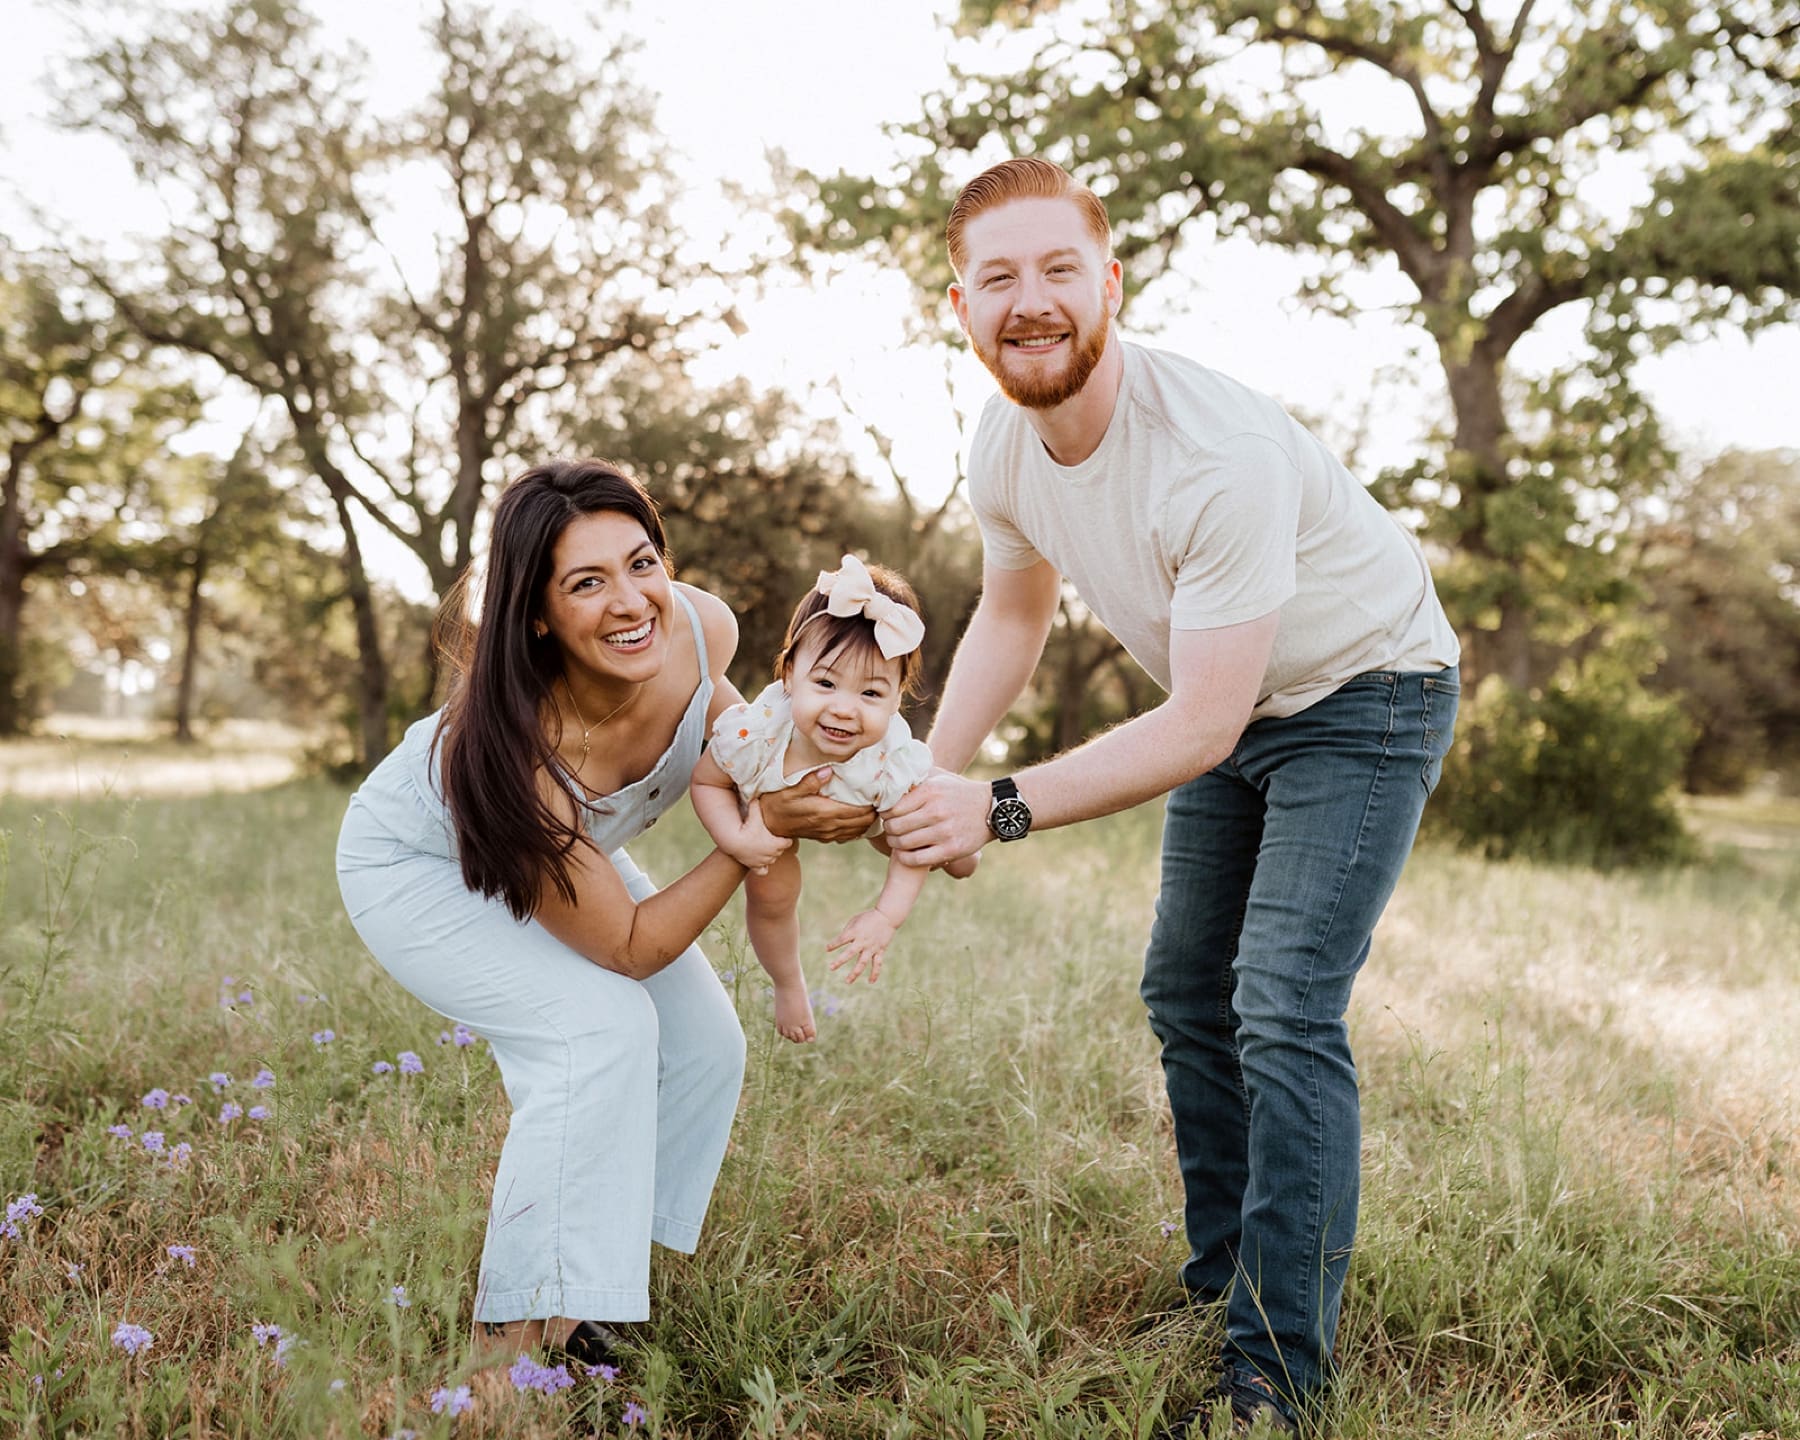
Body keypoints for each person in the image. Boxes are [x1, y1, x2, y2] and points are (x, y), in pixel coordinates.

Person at [879, 157, 1462, 1436]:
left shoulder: (1214, 454)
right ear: (961, 308)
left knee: (1281, 1002)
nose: (1030, 302)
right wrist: (927, 780)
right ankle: (1223, 1292)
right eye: (998, 279)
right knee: (1185, 992)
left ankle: (1279, 1371)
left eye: (1058, 270)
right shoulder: (1004, 443)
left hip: (1366, 695)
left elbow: (1197, 723)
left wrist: (1001, 805)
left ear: (1111, 283)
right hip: (1244, 705)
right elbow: (1014, 617)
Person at [335, 458, 758, 1372]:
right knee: (596, 1030)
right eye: (587, 582)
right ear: (536, 611)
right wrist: (747, 849)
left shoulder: (701, 628)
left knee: (705, 1049)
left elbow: (742, 752)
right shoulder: (518, 748)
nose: (633, 602)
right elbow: (630, 947)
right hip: (419, 865)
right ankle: (509, 1356)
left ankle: (587, 1299)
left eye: (642, 563)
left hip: (573, 852)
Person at [691, 554, 972, 1040]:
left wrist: (885, 917)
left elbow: (904, 853)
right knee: (769, 890)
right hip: (773, 817)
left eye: (871, 694)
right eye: (824, 683)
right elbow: (707, 782)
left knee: (921, 836)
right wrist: (737, 838)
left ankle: (964, 851)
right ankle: (788, 983)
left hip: (872, 802)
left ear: (896, 698)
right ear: (788, 676)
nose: (844, 709)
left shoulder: (887, 759)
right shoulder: (754, 734)